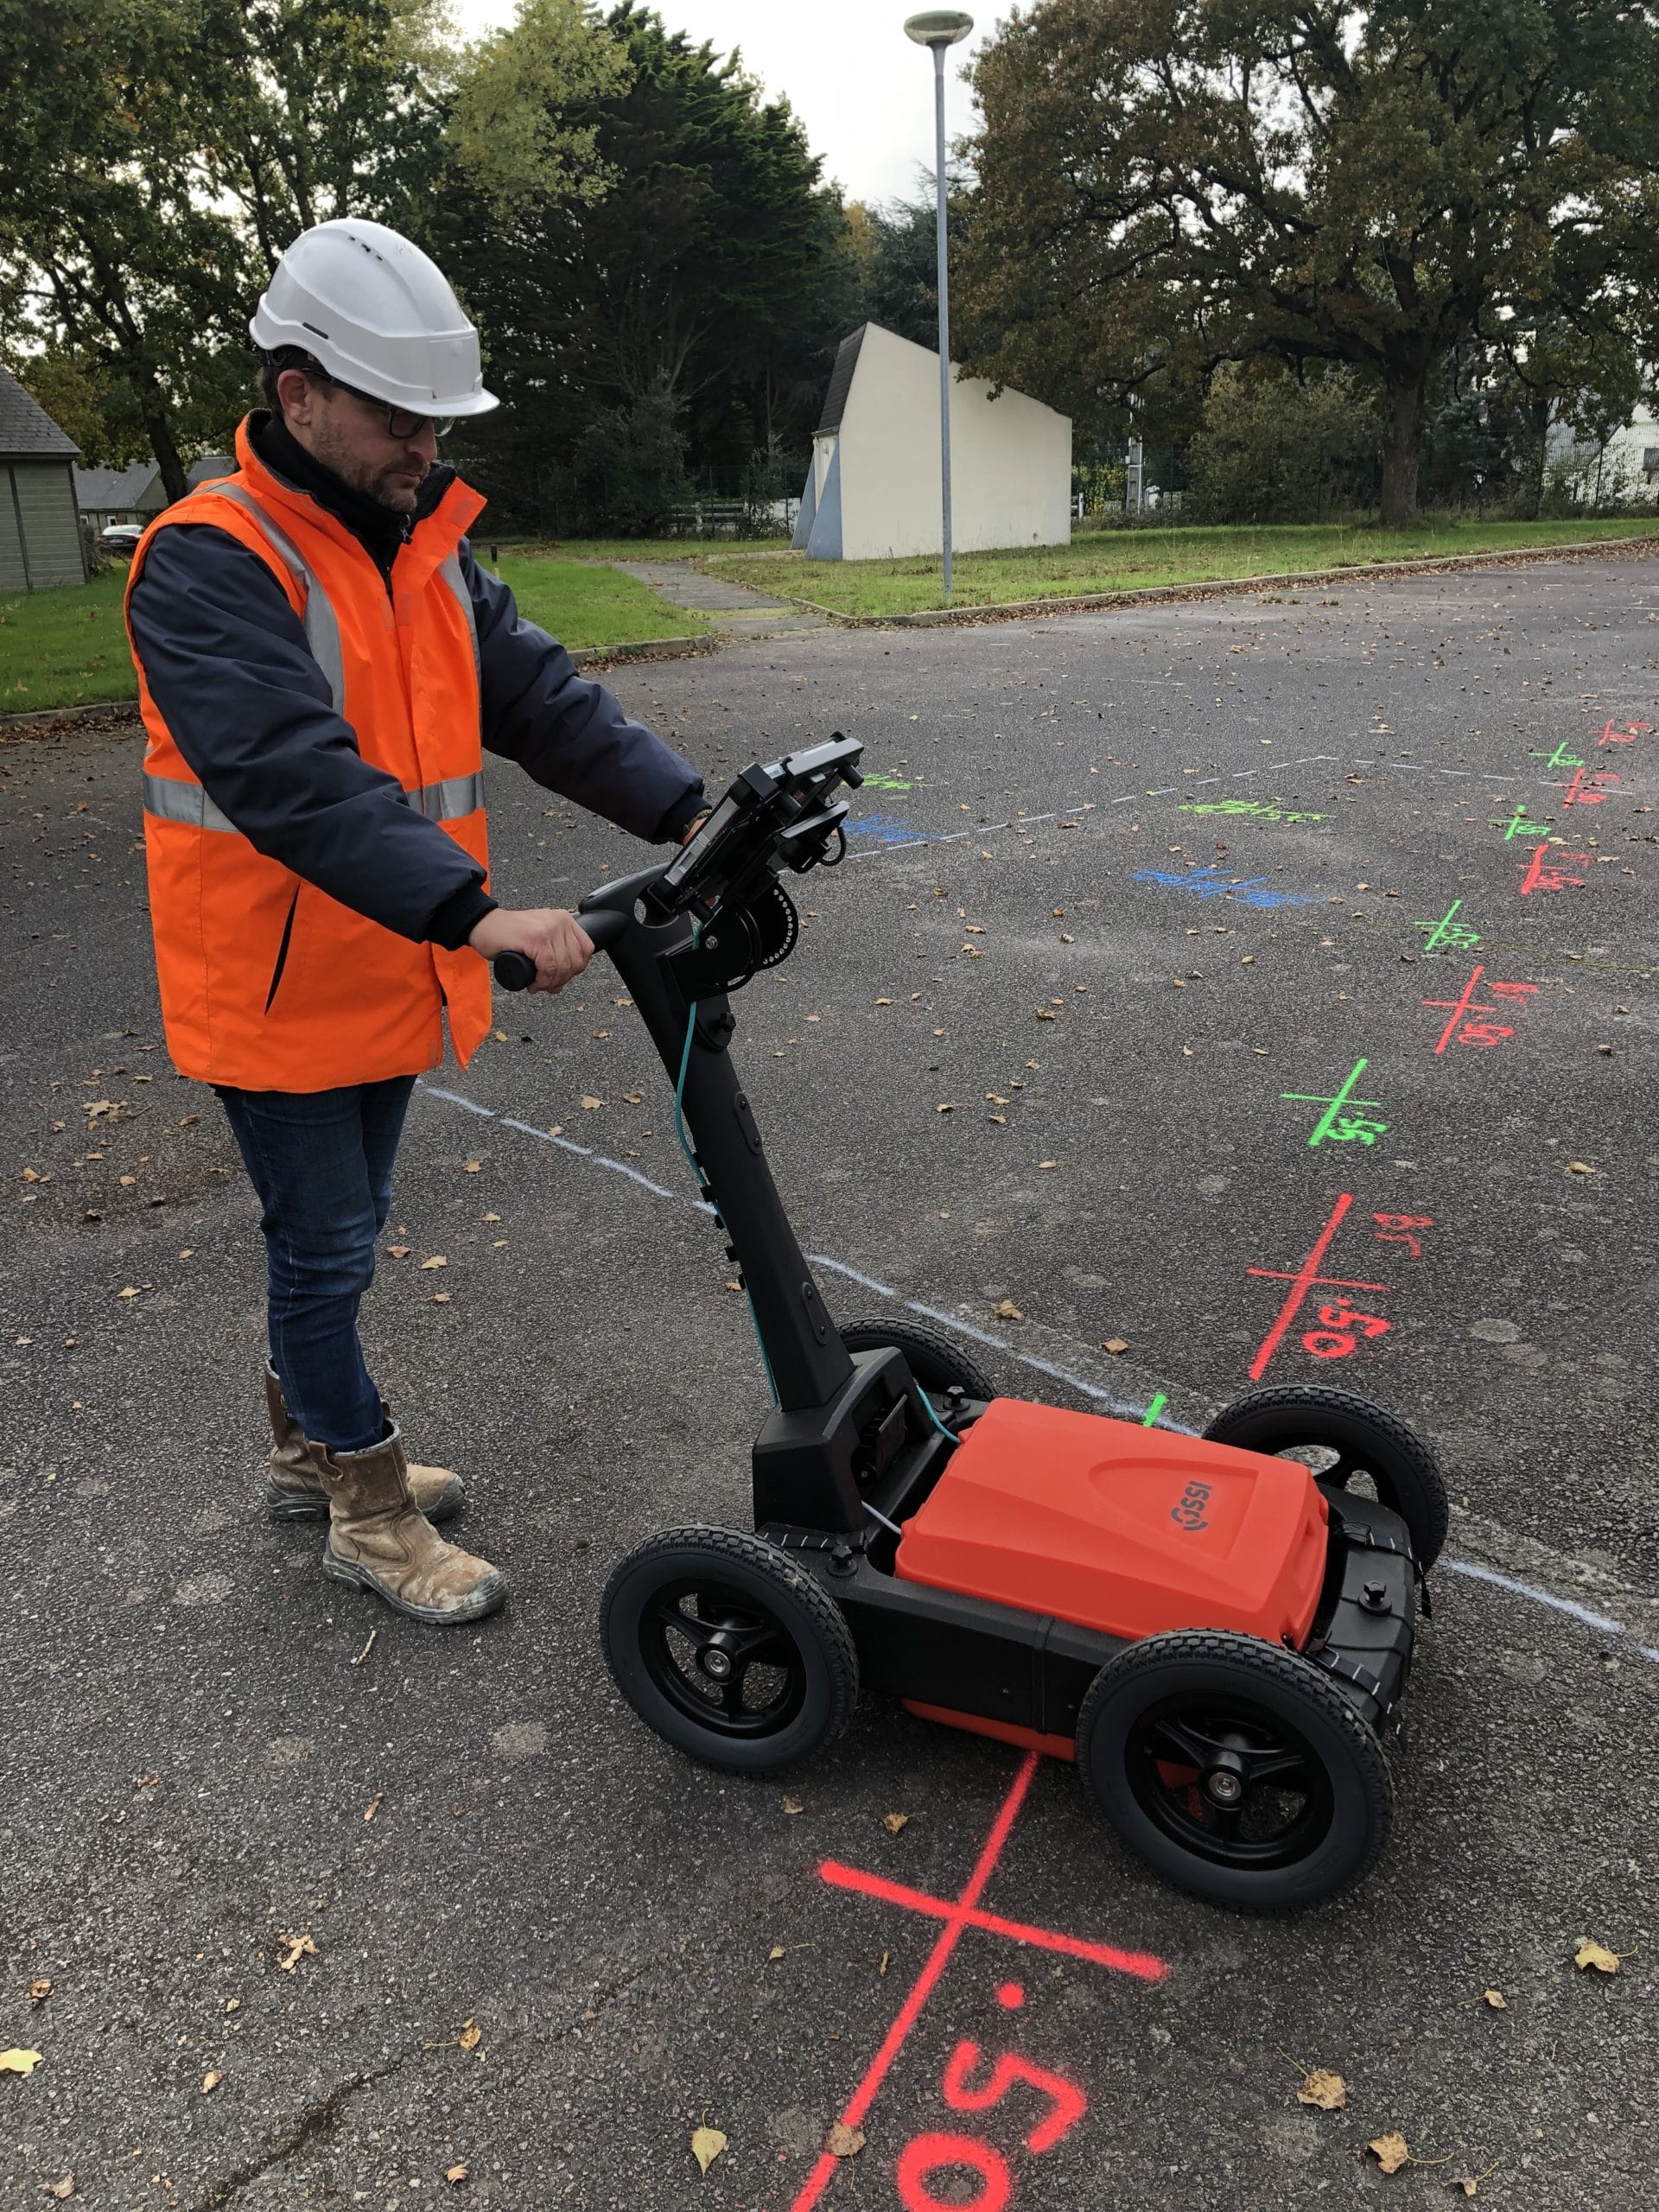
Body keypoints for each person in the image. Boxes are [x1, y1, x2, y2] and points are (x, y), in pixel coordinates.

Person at [124, 218, 710, 1629]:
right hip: (276, 989)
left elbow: (545, 703)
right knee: (324, 1248)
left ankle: (301, 1448)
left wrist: (690, 811)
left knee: (336, 1234)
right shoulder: (209, 561)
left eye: (439, 419)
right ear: (299, 395)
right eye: (399, 416)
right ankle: (368, 1514)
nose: (425, 447)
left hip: (385, 970)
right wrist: (483, 916)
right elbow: (293, 779)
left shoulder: (425, 551)